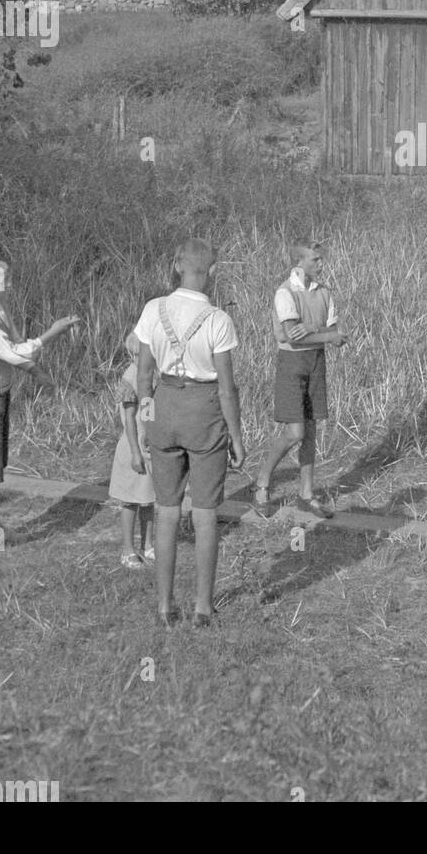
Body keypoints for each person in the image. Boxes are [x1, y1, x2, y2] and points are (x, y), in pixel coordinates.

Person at [133, 239, 245, 626]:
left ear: (178, 266)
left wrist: (147, 420)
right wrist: (238, 436)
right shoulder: (217, 320)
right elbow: (227, 388)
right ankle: (202, 606)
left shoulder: (153, 309)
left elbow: (144, 376)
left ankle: (164, 606)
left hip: (163, 408)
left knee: (165, 512)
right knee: (205, 514)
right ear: (212, 272)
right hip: (204, 412)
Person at [0, 256, 79, 565]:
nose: (8, 284)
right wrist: (53, 331)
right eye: (1, 280)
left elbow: (17, 348)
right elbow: (13, 352)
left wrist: (37, 373)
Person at [253, 240, 347, 520]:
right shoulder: (285, 292)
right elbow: (288, 336)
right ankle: (261, 483)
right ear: (299, 263)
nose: (321, 264)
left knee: (311, 430)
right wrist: (326, 336)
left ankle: (307, 494)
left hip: (316, 362)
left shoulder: (324, 291)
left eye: (321, 259)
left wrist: (315, 332)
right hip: (292, 365)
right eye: (315, 259)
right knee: (295, 433)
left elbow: (329, 331)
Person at [107, 332, 155, 568]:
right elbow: (129, 419)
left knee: (149, 499)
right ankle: (128, 549)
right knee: (130, 501)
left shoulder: (151, 375)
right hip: (132, 447)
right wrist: (136, 452)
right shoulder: (131, 376)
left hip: (150, 447)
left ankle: (149, 544)